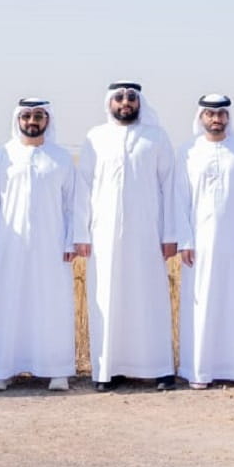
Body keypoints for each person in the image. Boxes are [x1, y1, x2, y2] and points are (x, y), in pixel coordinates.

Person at [82, 82, 184, 391]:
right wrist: (80, 234)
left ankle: (159, 368)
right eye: (119, 97)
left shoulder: (156, 137)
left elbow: (170, 188)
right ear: (109, 102)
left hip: (147, 233)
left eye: (131, 97)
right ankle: (109, 369)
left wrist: (170, 234)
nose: (125, 103)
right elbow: (84, 188)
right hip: (104, 235)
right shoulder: (95, 138)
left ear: (139, 102)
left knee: (149, 297)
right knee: (107, 297)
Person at [0, 98, 86, 392]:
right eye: (26, 116)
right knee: (7, 303)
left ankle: (56, 370)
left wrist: (71, 240)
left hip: (51, 244)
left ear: (47, 120)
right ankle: (3, 370)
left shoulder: (61, 158)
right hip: (8, 243)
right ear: (18, 119)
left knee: (52, 304)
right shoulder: (4, 156)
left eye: (38, 116)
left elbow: (72, 204)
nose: (32, 121)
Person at [177, 95, 234, 389]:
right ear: (201, 117)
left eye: (221, 114)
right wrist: (185, 240)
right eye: (210, 114)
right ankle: (199, 370)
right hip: (199, 245)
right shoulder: (187, 152)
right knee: (201, 303)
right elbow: (180, 200)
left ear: (228, 117)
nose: (216, 119)